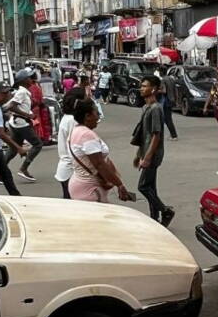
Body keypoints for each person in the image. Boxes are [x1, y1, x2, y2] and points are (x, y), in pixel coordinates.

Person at [68, 98, 133, 203]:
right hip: (90, 190)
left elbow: (102, 161)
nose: (98, 116)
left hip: (82, 185)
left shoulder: (76, 130)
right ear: (87, 116)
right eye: (96, 113)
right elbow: (99, 164)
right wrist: (119, 184)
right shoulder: (87, 135)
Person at [134, 75, 174, 226]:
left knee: (143, 186)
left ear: (154, 89)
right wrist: (139, 154)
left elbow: (156, 135)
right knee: (150, 186)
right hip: (146, 152)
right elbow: (144, 135)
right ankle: (154, 217)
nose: (141, 88)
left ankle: (165, 211)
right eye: (141, 86)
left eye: (145, 86)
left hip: (153, 154)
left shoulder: (156, 109)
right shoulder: (146, 108)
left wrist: (148, 157)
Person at [4, 70, 43, 182]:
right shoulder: (22, 92)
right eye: (30, 78)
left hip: (16, 123)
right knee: (38, 144)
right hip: (21, 123)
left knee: (13, 149)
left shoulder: (23, 92)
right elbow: (11, 106)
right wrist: (28, 115)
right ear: (24, 80)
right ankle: (23, 168)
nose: (32, 79)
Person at [55, 90, 84, 199]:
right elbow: (76, 147)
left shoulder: (67, 118)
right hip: (71, 169)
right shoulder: (72, 120)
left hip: (67, 168)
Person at [28, 69, 52, 143]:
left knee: (37, 123)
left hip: (35, 107)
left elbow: (34, 98)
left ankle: (39, 137)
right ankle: (42, 137)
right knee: (40, 123)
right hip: (38, 106)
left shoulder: (32, 87)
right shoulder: (36, 85)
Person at [159, 67, 178, 140]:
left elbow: (164, 91)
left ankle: (174, 135)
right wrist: (176, 100)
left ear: (161, 72)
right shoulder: (171, 79)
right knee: (168, 118)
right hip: (171, 100)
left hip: (166, 101)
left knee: (167, 119)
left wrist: (157, 91)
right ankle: (172, 134)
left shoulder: (163, 80)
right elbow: (175, 90)